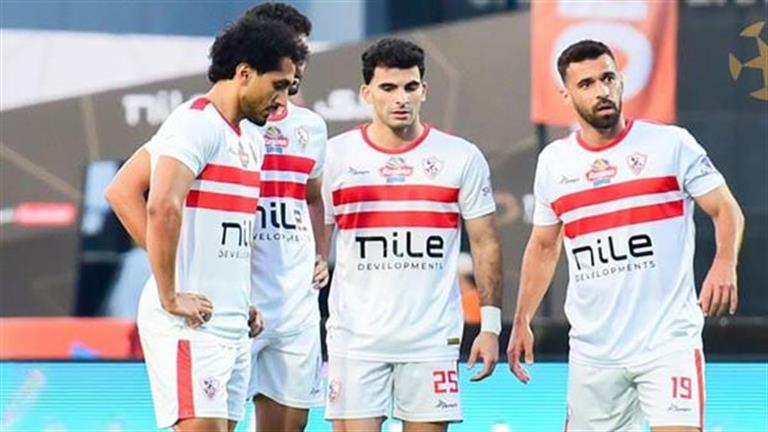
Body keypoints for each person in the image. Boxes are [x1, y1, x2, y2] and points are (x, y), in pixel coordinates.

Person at [507, 40, 745, 432]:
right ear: (567, 95)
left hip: (668, 343)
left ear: (620, 80)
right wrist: (522, 319)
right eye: (586, 84)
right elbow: (544, 245)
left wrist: (724, 262)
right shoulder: (554, 162)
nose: (601, 91)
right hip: (594, 353)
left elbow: (725, 208)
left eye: (608, 78)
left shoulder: (671, 144)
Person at [106, 18, 307, 432]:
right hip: (189, 325)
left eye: (289, 87)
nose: (283, 100)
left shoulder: (250, 137)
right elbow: (156, 203)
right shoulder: (194, 122)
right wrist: (170, 290)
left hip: (230, 318)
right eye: (278, 85)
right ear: (244, 73)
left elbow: (224, 236)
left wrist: (238, 298)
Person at [321, 38, 503, 432]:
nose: (400, 98)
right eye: (388, 88)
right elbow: (314, 245)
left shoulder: (460, 156)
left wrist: (490, 326)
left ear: (424, 90)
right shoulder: (335, 156)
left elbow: (486, 242)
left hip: (431, 342)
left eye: (410, 87)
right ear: (366, 93)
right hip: (355, 340)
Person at [240, 4, 330, 432]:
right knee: (213, 421)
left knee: (290, 425)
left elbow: (313, 198)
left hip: (295, 301)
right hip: (236, 299)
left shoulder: (312, 127)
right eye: (293, 51)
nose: (300, 65)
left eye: (303, 52)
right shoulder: (221, 122)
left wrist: (321, 253)